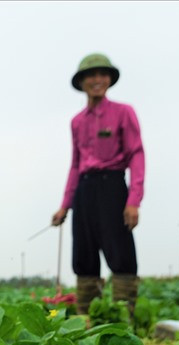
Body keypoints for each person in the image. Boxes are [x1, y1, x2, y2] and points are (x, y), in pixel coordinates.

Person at [51, 53, 145, 317]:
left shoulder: (123, 113)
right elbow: (75, 164)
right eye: (91, 75)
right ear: (81, 82)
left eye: (102, 74)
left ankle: (124, 317)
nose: (97, 80)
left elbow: (137, 155)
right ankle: (87, 318)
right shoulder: (77, 122)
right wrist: (65, 206)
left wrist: (134, 200)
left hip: (112, 187)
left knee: (120, 251)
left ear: (109, 79)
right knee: (84, 253)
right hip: (84, 190)